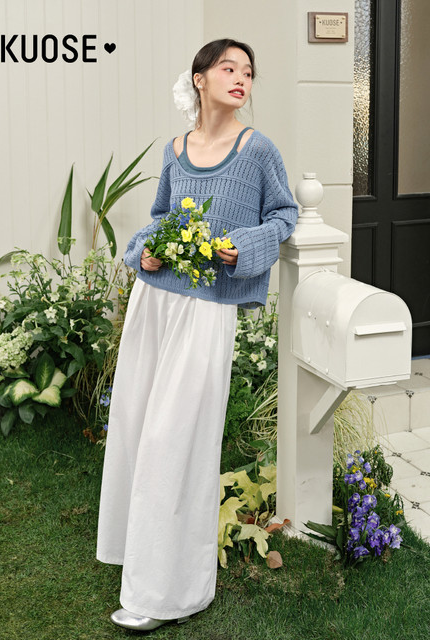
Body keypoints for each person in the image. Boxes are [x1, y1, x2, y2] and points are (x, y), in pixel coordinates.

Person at [96, 38, 298, 632]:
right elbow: (160, 217)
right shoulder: (176, 149)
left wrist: (246, 248)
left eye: (249, 72)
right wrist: (142, 254)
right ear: (199, 79)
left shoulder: (258, 150)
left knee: (175, 440)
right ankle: (136, 553)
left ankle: (166, 593)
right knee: (136, 426)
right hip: (154, 302)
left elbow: (284, 216)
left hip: (207, 308)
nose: (241, 78)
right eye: (228, 68)